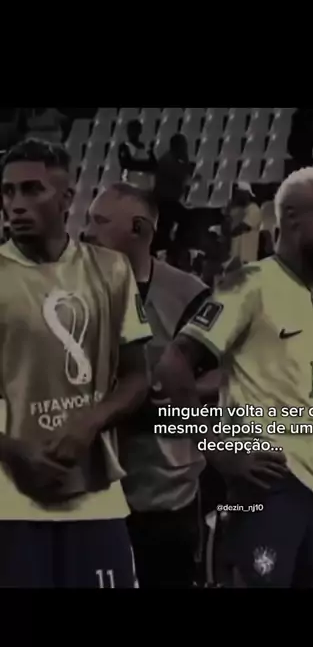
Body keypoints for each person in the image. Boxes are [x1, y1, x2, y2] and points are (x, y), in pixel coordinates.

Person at [157, 166, 313, 588]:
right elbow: (174, 363)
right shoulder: (249, 285)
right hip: (268, 482)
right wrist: (218, 449)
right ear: (291, 220)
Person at [0, 140, 152, 588]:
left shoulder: (112, 270)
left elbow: (137, 376)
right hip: (9, 501)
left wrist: (90, 422)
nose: (16, 204)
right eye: (8, 192)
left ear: (67, 199)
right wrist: (14, 451)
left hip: (95, 496)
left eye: (32, 190)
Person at [86, 182, 215, 588]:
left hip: (167, 491)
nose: (87, 232)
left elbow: (228, 372)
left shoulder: (190, 295)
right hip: (92, 485)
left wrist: (178, 392)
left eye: (99, 221)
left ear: (139, 229)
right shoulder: (68, 290)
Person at [152, 134, 195, 254]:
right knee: (169, 227)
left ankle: (169, 248)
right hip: (164, 201)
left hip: (169, 201)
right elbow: (183, 176)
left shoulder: (173, 159)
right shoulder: (168, 161)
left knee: (167, 228)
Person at [226, 182, 262, 266]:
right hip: (235, 257)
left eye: (239, 192)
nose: (237, 195)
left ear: (246, 194)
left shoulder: (253, 208)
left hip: (247, 257)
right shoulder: (235, 209)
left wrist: (228, 232)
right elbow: (226, 228)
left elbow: (241, 228)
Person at [118, 120, 156, 189]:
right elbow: (126, 164)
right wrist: (145, 165)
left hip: (144, 183)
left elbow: (154, 165)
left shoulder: (146, 147)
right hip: (129, 183)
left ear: (139, 131)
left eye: (134, 130)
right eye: (130, 130)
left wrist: (137, 164)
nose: (132, 133)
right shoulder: (125, 146)